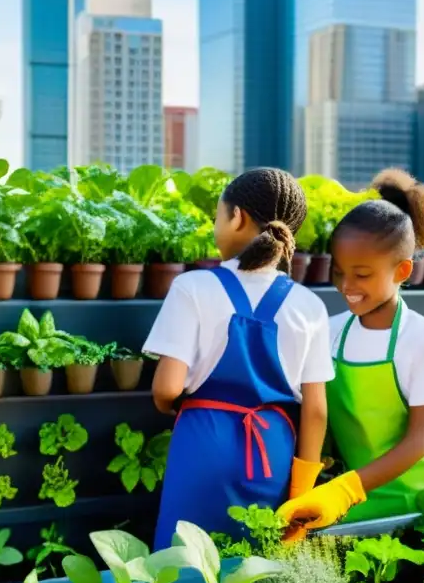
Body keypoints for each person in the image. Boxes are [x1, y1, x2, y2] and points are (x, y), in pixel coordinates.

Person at [143, 167, 334, 549]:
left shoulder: (192, 286)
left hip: (202, 443)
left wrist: (180, 407)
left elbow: (166, 388)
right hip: (271, 452)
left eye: (218, 216)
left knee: (183, 563)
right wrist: (300, 490)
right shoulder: (309, 305)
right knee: (258, 563)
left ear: (237, 217)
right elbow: (315, 411)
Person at [276, 169, 424, 539]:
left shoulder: (423, 339)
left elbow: (420, 441)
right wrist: (311, 486)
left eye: (362, 275)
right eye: (339, 272)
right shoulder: (328, 331)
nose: (347, 286)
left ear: (402, 270)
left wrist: (344, 489)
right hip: (364, 500)